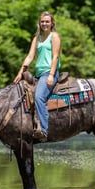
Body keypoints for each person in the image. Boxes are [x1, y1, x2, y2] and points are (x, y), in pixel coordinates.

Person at [14, 11, 61, 142]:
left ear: (52, 23)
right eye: (42, 21)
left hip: (49, 72)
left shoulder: (54, 36)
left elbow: (55, 56)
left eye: (47, 21)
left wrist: (51, 75)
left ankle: (44, 130)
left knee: (39, 96)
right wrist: (20, 73)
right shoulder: (37, 38)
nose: (44, 24)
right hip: (39, 74)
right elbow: (30, 57)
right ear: (39, 23)